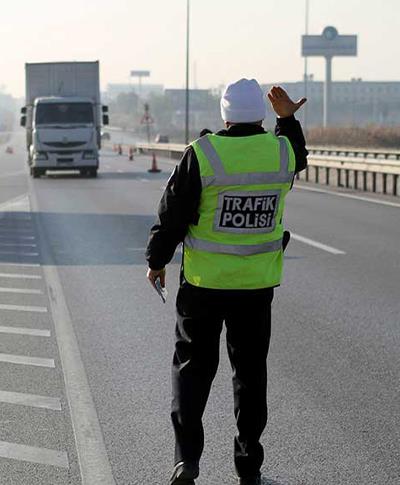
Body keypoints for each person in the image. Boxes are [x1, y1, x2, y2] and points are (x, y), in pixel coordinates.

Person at [145, 79, 308, 485]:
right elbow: (298, 155)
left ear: (224, 115)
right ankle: (248, 463)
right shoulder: (280, 152)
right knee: (250, 375)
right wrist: (288, 120)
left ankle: (187, 459)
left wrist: (156, 260)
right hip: (256, 287)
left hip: (203, 285)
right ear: (261, 115)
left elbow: (173, 214)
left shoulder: (203, 154)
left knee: (192, 371)